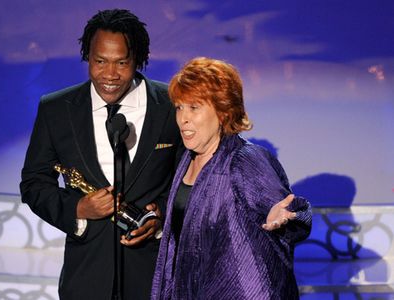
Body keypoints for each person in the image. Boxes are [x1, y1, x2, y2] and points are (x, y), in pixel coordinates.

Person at [20, 9, 183, 299]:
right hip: (86, 277)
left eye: (122, 63)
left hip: (154, 276)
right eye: (100, 62)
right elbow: (34, 183)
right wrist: (78, 209)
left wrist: (162, 215)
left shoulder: (171, 106)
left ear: (138, 60)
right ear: (88, 57)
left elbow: (191, 179)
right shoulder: (57, 109)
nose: (109, 75)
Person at [151, 57, 312, 299]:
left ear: (223, 111)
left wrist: (285, 217)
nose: (183, 119)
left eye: (194, 107)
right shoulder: (187, 159)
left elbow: (293, 210)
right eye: (179, 107)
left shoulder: (244, 159)